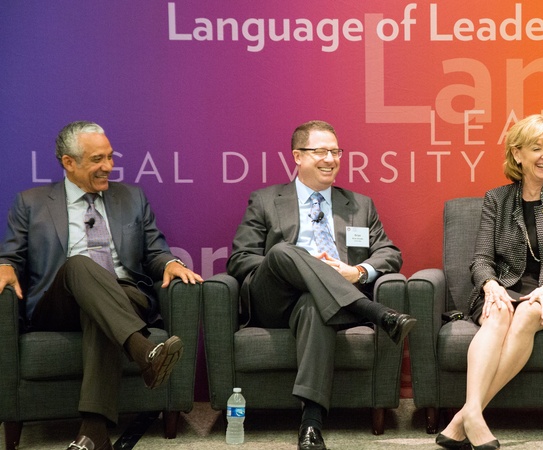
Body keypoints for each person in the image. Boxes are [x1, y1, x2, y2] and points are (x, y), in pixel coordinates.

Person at [0, 121, 203, 450]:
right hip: (59, 302)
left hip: (125, 295)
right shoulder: (31, 202)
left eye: (110, 157)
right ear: (69, 162)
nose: (108, 166)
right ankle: (141, 349)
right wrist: (5, 266)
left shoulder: (132, 197)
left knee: (102, 311)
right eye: (97, 159)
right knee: (80, 264)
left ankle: (94, 431)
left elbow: (155, 250)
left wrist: (170, 263)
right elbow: (11, 255)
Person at [226, 120, 415, 450]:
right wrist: (295, 266)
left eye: (336, 151)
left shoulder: (358, 204)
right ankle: (374, 312)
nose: (331, 159)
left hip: (325, 304)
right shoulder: (266, 200)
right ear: (297, 156)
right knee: (285, 251)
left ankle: (311, 424)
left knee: (316, 305)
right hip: (275, 299)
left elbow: (390, 253)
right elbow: (240, 259)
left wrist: (357, 272)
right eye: (321, 151)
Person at [435, 114, 543, 450]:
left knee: (524, 316)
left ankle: (466, 415)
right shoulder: (497, 198)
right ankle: (474, 417)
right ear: (517, 154)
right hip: (503, 285)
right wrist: (491, 286)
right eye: (536, 148)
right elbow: (480, 259)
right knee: (497, 315)